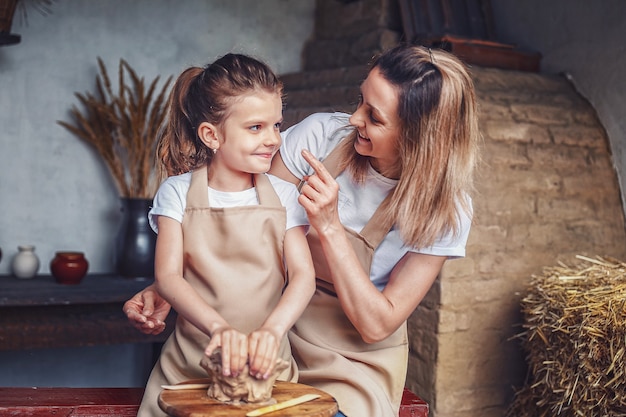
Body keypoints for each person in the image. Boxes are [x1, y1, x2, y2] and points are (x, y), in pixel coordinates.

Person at [125, 44, 480, 417]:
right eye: (360, 100)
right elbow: (252, 226)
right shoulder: (319, 137)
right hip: (273, 324)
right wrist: (178, 281)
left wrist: (329, 227)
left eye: (374, 117)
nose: (355, 119)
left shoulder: (447, 210)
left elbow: (377, 324)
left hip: (349, 352)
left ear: (419, 137)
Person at [134, 53, 316, 417]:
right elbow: (167, 278)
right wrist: (219, 329)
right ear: (211, 135)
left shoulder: (283, 196)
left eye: (277, 125)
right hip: (188, 368)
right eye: (255, 128)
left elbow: (303, 277)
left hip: (269, 372)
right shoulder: (176, 193)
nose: (273, 140)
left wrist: (272, 332)